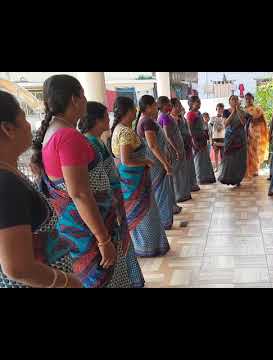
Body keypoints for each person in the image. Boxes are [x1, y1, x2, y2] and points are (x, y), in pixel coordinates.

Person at [31, 74, 126, 288]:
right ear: (75, 99)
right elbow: (79, 193)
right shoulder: (68, 137)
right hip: (89, 231)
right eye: (83, 95)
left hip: (78, 228)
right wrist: (103, 239)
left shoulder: (52, 133)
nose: (85, 100)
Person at [0, 90, 81, 288]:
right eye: (24, 117)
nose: (29, 126)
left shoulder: (10, 175)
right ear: (8, 128)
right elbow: (17, 268)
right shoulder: (6, 185)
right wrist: (65, 282)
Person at [79, 101, 145, 287]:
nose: (109, 120)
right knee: (117, 247)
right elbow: (96, 183)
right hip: (108, 206)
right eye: (106, 117)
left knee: (123, 244)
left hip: (113, 200)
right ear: (97, 121)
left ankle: (130, 280)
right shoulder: (90, 144)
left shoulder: (97, 141)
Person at [111, 96, 170, 257]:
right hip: (134, 181)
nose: (135, 112)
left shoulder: (119, 129)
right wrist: (145, 161)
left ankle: (146, 245)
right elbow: (126, 160)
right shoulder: (124, 132)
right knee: (145, 213)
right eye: (133, 109)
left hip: (131, 180)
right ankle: (148, 246)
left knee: (141, 212)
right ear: (128, 111)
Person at [136, 95, 175, 230]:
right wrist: (165, 163)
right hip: (156, 163)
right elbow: (153, 146)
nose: (156, 108)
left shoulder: (148, 120)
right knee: (161, 192)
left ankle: (164, 221)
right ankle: (164, 222)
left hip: (157, 162)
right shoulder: (146, 122)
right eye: (153, 105)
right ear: (147, 107)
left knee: (162, 191)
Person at [159, 97, 191, 203]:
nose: (170, 106)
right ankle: (178, 195)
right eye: (169, 104)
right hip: (173, 149)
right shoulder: (164, 117)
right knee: (176, 172)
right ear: (163, 105)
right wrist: (176, 150)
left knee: (181, 171)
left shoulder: (168, 116)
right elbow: (167, 136)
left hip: (178, 147)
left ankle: (182, 194)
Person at [218, 95, 248, 186]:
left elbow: (243, 123)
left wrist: (237, 110)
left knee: (239, 158)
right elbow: (225, 123)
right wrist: (233, 112)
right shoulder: (226, 112)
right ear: (229, 102)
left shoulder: (243, 112)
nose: (234, 101)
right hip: (230, 138)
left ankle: (238, 178)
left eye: (236, 99)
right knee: (230, 159)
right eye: (232, 99)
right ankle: (228, 178)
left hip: (240, 138)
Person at [171, 98, 200, 193]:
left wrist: (191, 142)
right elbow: (170, 135)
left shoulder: (182, 118)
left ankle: (191, 185)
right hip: (179, 146)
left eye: (180, 105)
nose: (180, 107)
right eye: (178, 105)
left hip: (186, 145)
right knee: (182, 169)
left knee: (190, 166)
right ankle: (182, 191)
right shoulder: (172, 119)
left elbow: (188, 131)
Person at [186, 96, 216, 184]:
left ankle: (207, 177)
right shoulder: (190, 114)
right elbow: (190, 128)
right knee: (198, 160)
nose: (199, 104)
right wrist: (194, 141)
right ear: (191, 104)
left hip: (202, 139)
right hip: (196, 140)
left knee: (204, 159)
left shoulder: (198, 113)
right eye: (197, 102)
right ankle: (200, 178)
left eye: (199, 102)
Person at [245, 93, 269, 179]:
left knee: (254, 152)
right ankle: (246, 170)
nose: (248, 100)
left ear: (253, 99)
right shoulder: (243, 110)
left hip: (255, 134)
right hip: (245, 133)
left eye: (250, 98)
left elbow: (262, 121)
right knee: (246, 153)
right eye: (246, 99)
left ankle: (255, 170)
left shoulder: (257, 109)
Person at [210, 103, 226, 172]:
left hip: (223, 137)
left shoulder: (225, 118)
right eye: (219, 109)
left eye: (221, 109)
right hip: (215, 138)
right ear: (216, 109)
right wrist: (210, 139)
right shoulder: (213, 118)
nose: (220, 110)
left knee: (223, 154)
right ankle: (216, 167)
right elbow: (210, 129)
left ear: (223, 110)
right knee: (216, 153)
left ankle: (223, 167)